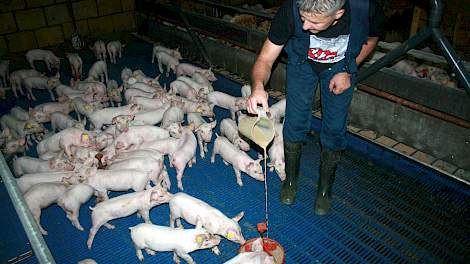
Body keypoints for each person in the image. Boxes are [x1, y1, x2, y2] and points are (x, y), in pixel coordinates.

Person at [247, 0, 384, 215]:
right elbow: (265, 58)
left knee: (335, 128)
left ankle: (324, 190)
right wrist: (257, 87)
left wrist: (349, 69)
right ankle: (291, 181)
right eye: (303, 18)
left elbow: (371, 38)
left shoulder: (363, 8)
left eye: (314, 22)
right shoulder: (290, 10)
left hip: (341, 65)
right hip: (303, 63)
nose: (305, 26)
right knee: (294, 121)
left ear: (338, 14)